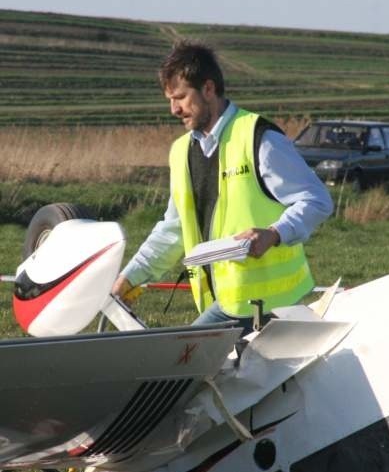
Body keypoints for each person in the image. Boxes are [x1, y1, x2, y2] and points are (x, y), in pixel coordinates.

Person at [112, 40, 333, 333]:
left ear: (208, 88)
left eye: (180, 97)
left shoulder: (258, 138)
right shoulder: (181, 152)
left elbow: (317, 200)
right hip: (225, 303)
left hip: (270, 306)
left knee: (184, 365)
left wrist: (274, 234)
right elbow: (173, 230)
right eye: (169, 99)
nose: (173, 109)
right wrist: (129, 278)